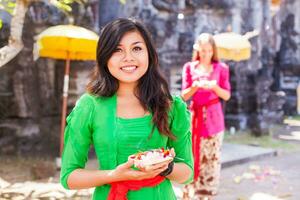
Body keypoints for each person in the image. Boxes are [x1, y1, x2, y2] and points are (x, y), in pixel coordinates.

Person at [60, 18, 193, 200]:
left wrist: (165, 166)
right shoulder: (90, 106)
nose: (128, 58)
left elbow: (187, 173)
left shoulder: (170, 105)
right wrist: (115, 175)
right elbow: (69, 177)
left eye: (137, 48)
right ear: (105, 56)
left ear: (149, 54)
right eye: (117, 50)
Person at [181, 33, 231, 200]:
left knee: (211, 159)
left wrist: (215, 87)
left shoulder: (221, 68)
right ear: (197, 50)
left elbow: (226, 95)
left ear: (213, 51)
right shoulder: (189, 67)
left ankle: (207, 195)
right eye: (202, 50)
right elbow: (183, 96)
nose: (205, 54)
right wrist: (195, 87)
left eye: (209, 51)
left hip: (214, 120)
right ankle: (191, 194)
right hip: (194, 119)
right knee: (192, 156)